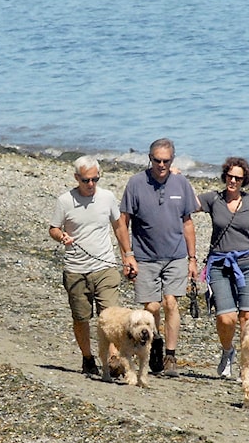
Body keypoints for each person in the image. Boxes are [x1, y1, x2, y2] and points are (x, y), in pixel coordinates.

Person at [118, 138, 199, 377]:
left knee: (171, 303)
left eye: (166, 161)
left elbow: (188, 223)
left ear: (172, 160)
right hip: (144, 256)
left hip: (175, 255)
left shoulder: (181, 183)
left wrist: (192, 259)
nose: (161, 165)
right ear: (149, 159)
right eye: (157, 160)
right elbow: (123, 222)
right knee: (151, 305)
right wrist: (128, 255)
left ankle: (170, 356)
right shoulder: (136, 183)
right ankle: (155, 343)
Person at [49, 155, 131, 376]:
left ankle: (113, 359)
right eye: (86, 180)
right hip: (75, 269)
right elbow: (53, 228)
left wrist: (128, 255)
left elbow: (119, 227)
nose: (91, 184)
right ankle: (88, 358)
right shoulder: (65, 200)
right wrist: (61, 236)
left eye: (95, 179)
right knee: (81, 318)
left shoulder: (107, 197)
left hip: (105, 267)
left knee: (110, 315)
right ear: (77, 178)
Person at [197, 157, 249, 379]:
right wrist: (176, 177)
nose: (233, 181)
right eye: (230, 176)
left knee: (248, 317)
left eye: (238, 177)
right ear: (224, 176)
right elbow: (185, 204)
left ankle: (245, 365)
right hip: (220, 263)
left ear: (244, 180)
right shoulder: (213, 199)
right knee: (226, 318)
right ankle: (228, 351)